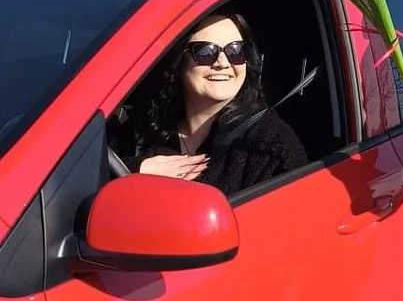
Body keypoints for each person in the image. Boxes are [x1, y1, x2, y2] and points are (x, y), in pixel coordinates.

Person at [119, 11, 308, 195]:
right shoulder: (142, 129)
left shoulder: (270, 145)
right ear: (179, 60)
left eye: (236, 50)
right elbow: (92, 177)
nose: (222, 62)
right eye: (205, 51)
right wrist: (134, 170)